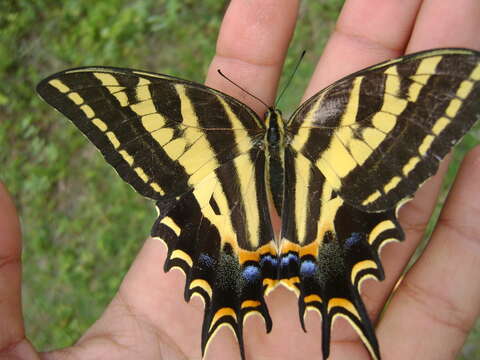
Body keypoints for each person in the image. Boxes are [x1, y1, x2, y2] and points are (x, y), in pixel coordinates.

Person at [1, 0, 479, 359]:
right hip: (319, 214)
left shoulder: (214, 121)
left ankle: (279, 268)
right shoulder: (321, 120)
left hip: (238, 217)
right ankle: (293, 267)